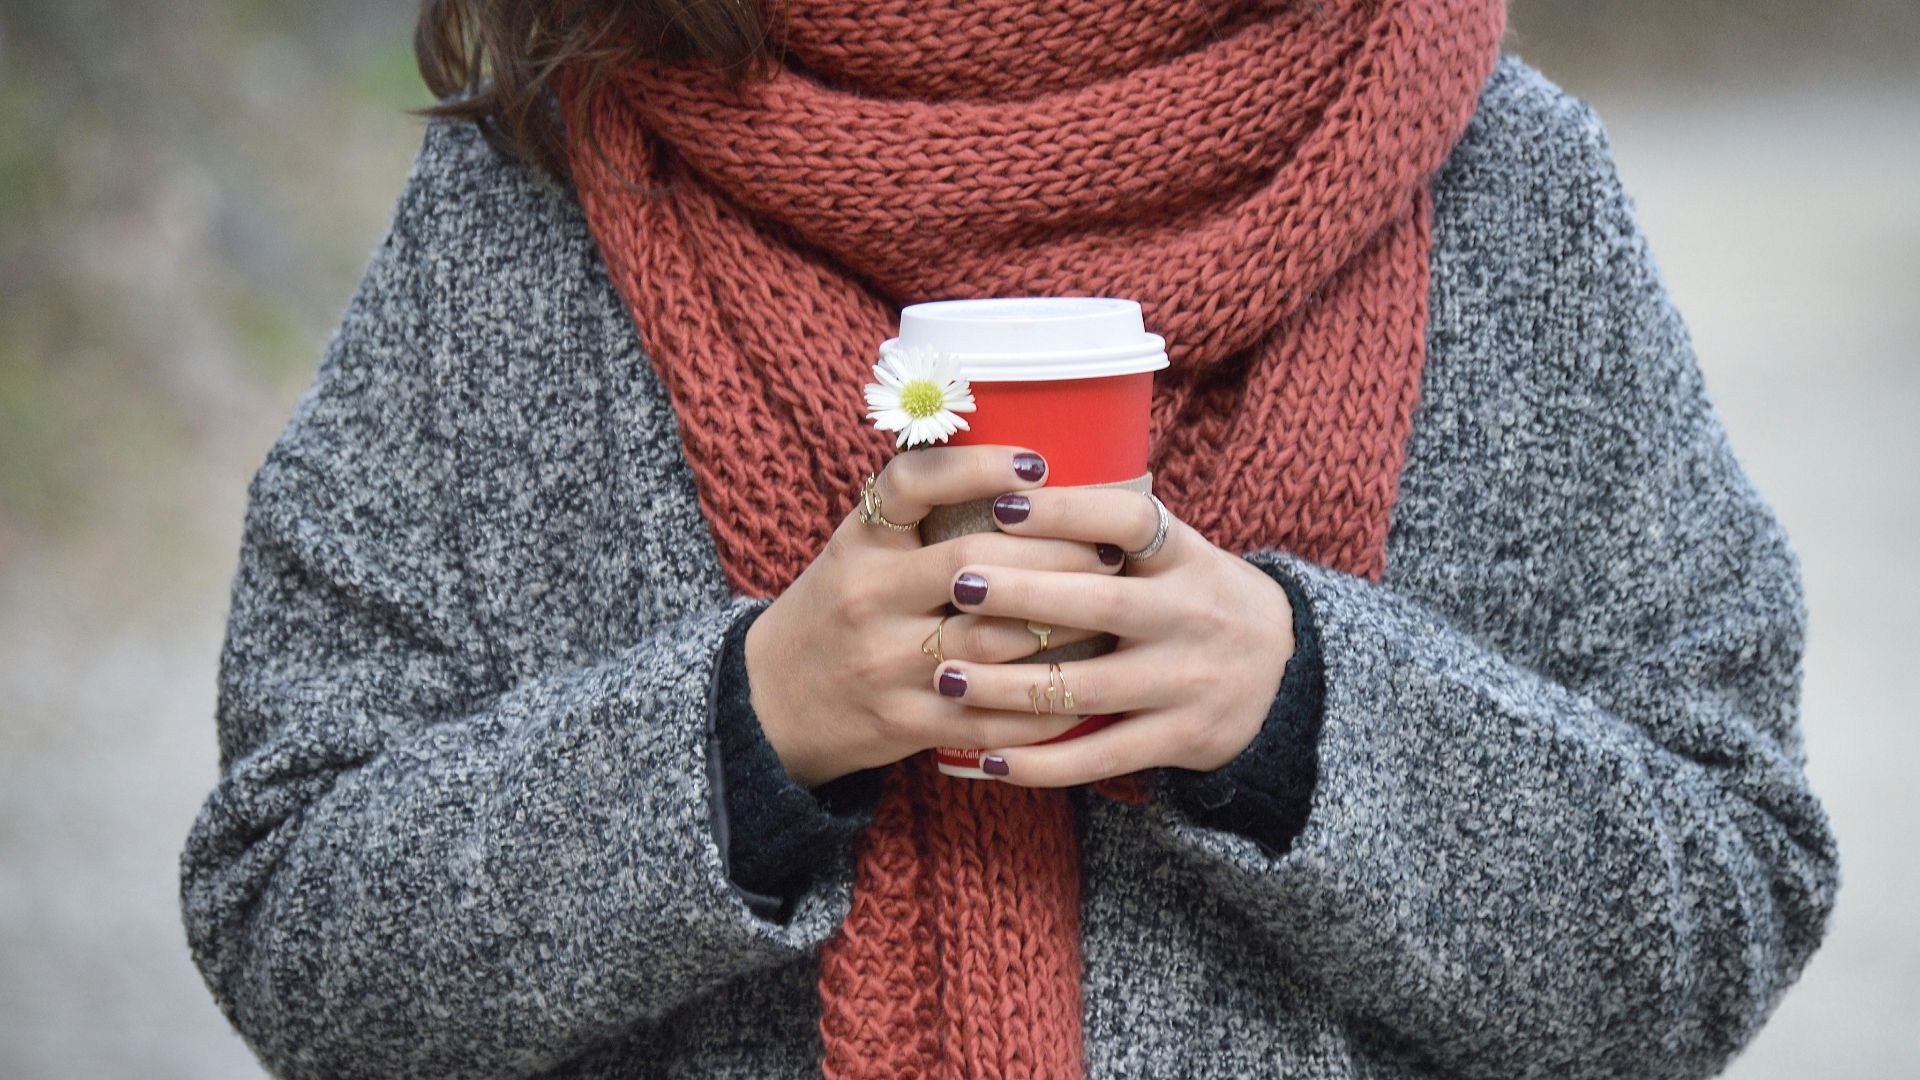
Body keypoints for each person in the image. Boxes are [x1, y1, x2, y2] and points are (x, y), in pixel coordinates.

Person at [178, 0, 1839, 1077]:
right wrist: (742, 732)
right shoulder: (533, 204)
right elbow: (296, 931)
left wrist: (1311, 717)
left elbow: (1723, 907)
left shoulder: (1497, 184)